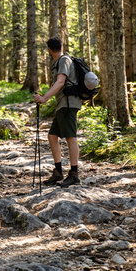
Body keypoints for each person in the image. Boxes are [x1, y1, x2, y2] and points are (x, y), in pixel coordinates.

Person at [33, 37, 82, 187]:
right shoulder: (60, 62)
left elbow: (60, 82)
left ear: (49, 49)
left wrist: (44, 98)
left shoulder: (64, 60)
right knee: (53, 135)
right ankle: (58, 172)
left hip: (68, 104)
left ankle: (74, 174)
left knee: (70, 137)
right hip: (63, 104)